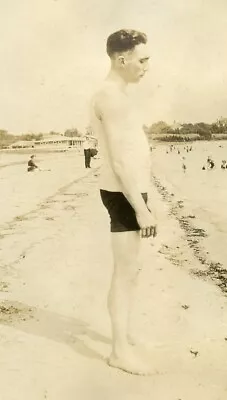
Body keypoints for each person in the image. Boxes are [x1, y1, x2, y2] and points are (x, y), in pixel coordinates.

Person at [90, 29, 157, 375]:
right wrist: (142, 208)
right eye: (142, 59)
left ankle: (123, 336)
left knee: (129, 271)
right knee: (125, 272)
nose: (147, 66)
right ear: (122, 59)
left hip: (125, 189)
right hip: (122, 191)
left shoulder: (116, 93)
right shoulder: (111, 96)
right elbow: (118, 160)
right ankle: (118, 350)